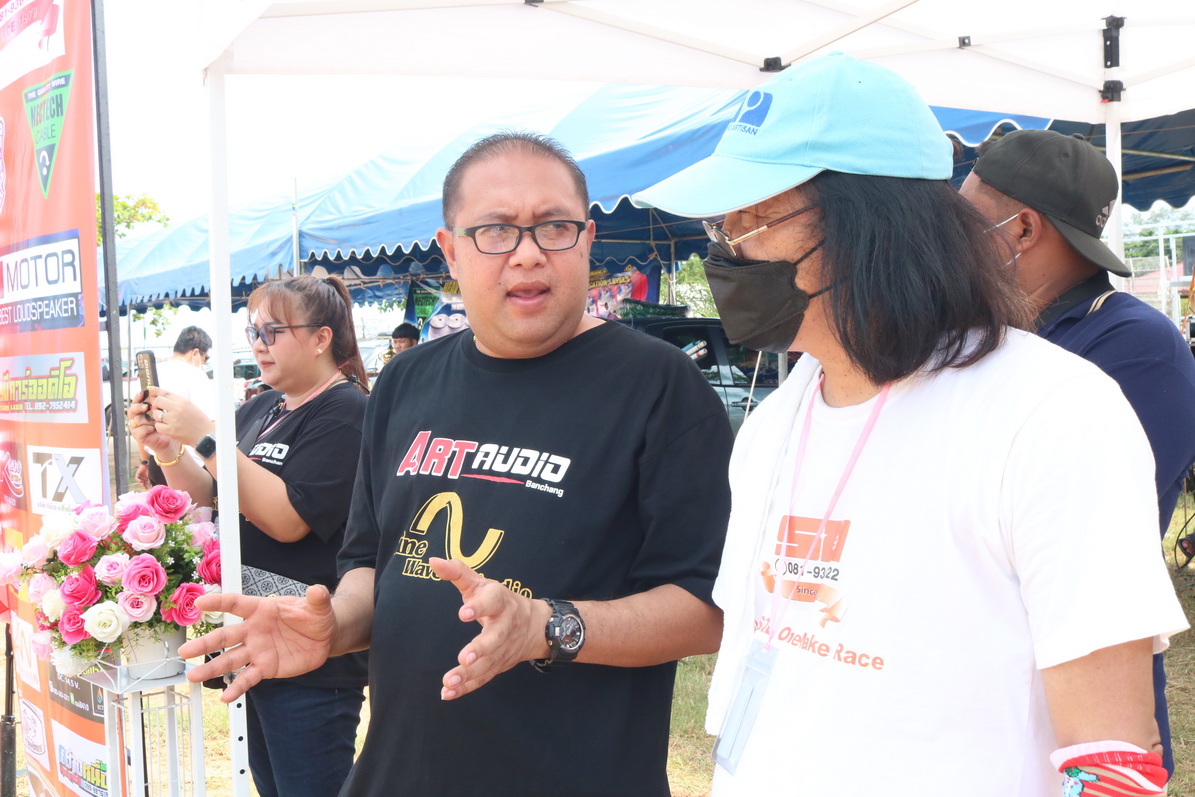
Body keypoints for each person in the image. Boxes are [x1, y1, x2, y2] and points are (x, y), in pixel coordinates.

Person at [634, 53, 1188, 796]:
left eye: (754, 217)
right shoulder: (776, 424)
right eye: (721, 221)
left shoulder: (1049, 414)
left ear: (872, 224)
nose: (726, 249)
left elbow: (1112, 756)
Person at [181, 132, 734, 796]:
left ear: (587, 239)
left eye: (553, 226)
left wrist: (546, 626)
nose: (527, 253)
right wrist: (333, 629)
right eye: (495, 230)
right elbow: (371, 562)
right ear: (450, 250)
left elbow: (706, 609)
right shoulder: (405, 382)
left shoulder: (660, 386)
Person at [959, 128, 1195, 777]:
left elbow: (1074, 525)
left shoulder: (1135, 345)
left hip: (1079, 688)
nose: (949, 238)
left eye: (964, 218)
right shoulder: (984, 332)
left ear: (1022, 229)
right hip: (974, 682)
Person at [129, 275, 371, 797]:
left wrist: (206, 435)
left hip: (312, 651)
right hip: (253, 636)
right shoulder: (262, 408)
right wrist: (169, 449)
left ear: (321, 338)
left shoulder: (348, 413)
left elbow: (287, 519)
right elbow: (209, 497)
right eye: (253, 332)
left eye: (272, 332)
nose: (258, 345)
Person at [135, 325, 218, 489]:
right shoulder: (195, 374)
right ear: (195, 353)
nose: (204, 363)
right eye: (206, 358)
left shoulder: (152, 373)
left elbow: (142, 422)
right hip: (191, 464)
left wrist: (144, 462)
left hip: (156, 461)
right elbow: (210, 425)